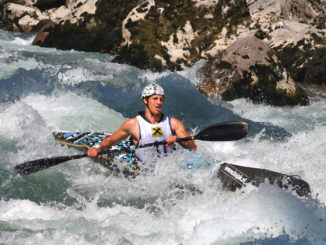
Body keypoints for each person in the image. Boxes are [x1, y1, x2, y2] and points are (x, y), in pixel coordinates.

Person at [88, 83, 197, 162]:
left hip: (167, 171)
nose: (159, 102)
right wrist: (97, 148)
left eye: (161, 99)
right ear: (145, 100)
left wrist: (178, 140)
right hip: (145, 173)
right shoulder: (133, 124)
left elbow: (193, 148)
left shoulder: (173, 123)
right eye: (155, 99)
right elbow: (111, 140)